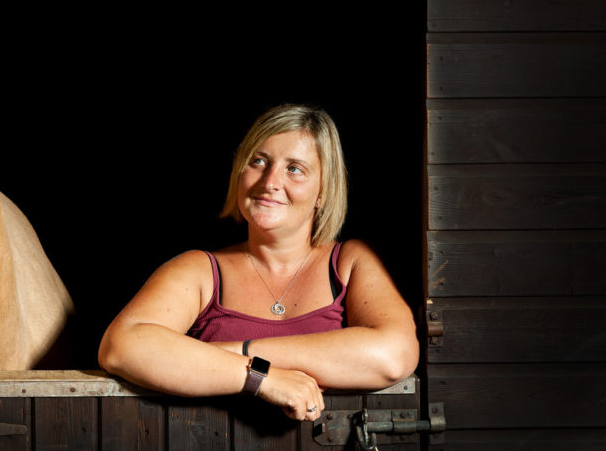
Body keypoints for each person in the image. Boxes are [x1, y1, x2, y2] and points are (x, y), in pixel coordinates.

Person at [98, 104, 419, 422]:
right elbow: (121, 347)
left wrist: (236, 354)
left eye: (294, 168)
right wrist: (259, 377)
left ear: (323, 191)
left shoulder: (349, 261)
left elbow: (395, 355)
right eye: (259, 161)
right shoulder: (199, 269)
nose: (269, 182)